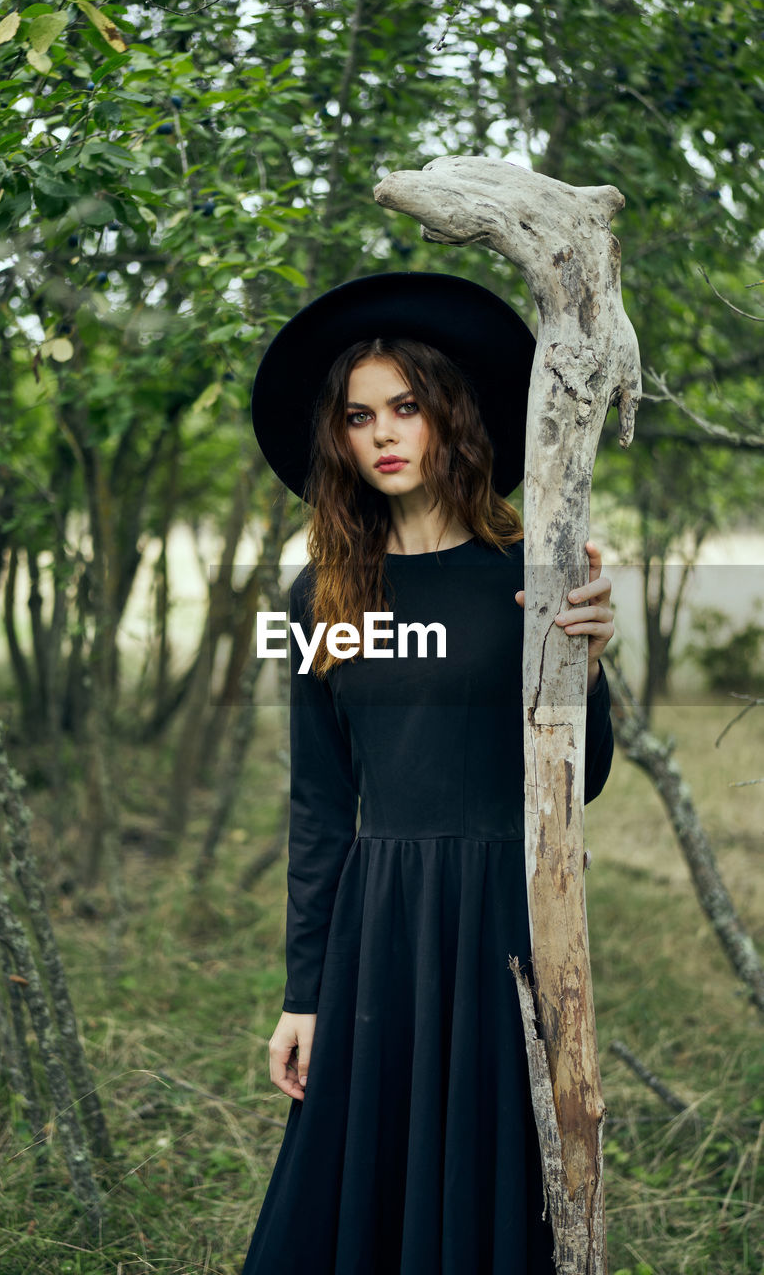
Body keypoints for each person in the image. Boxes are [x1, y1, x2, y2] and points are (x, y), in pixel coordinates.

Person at [242, 272, 615, 1275]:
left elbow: (578, 781)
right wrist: (303, 992)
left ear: (450, 414)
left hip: (503, 917)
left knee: (491, 1177)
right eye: (359, 415)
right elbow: (318, 805)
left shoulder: (527, 577)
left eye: (405, 405)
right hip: (380, 924)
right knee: (362, 1187)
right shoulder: (317, 593)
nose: (383, 434)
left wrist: (585, 655)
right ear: (338, 438)